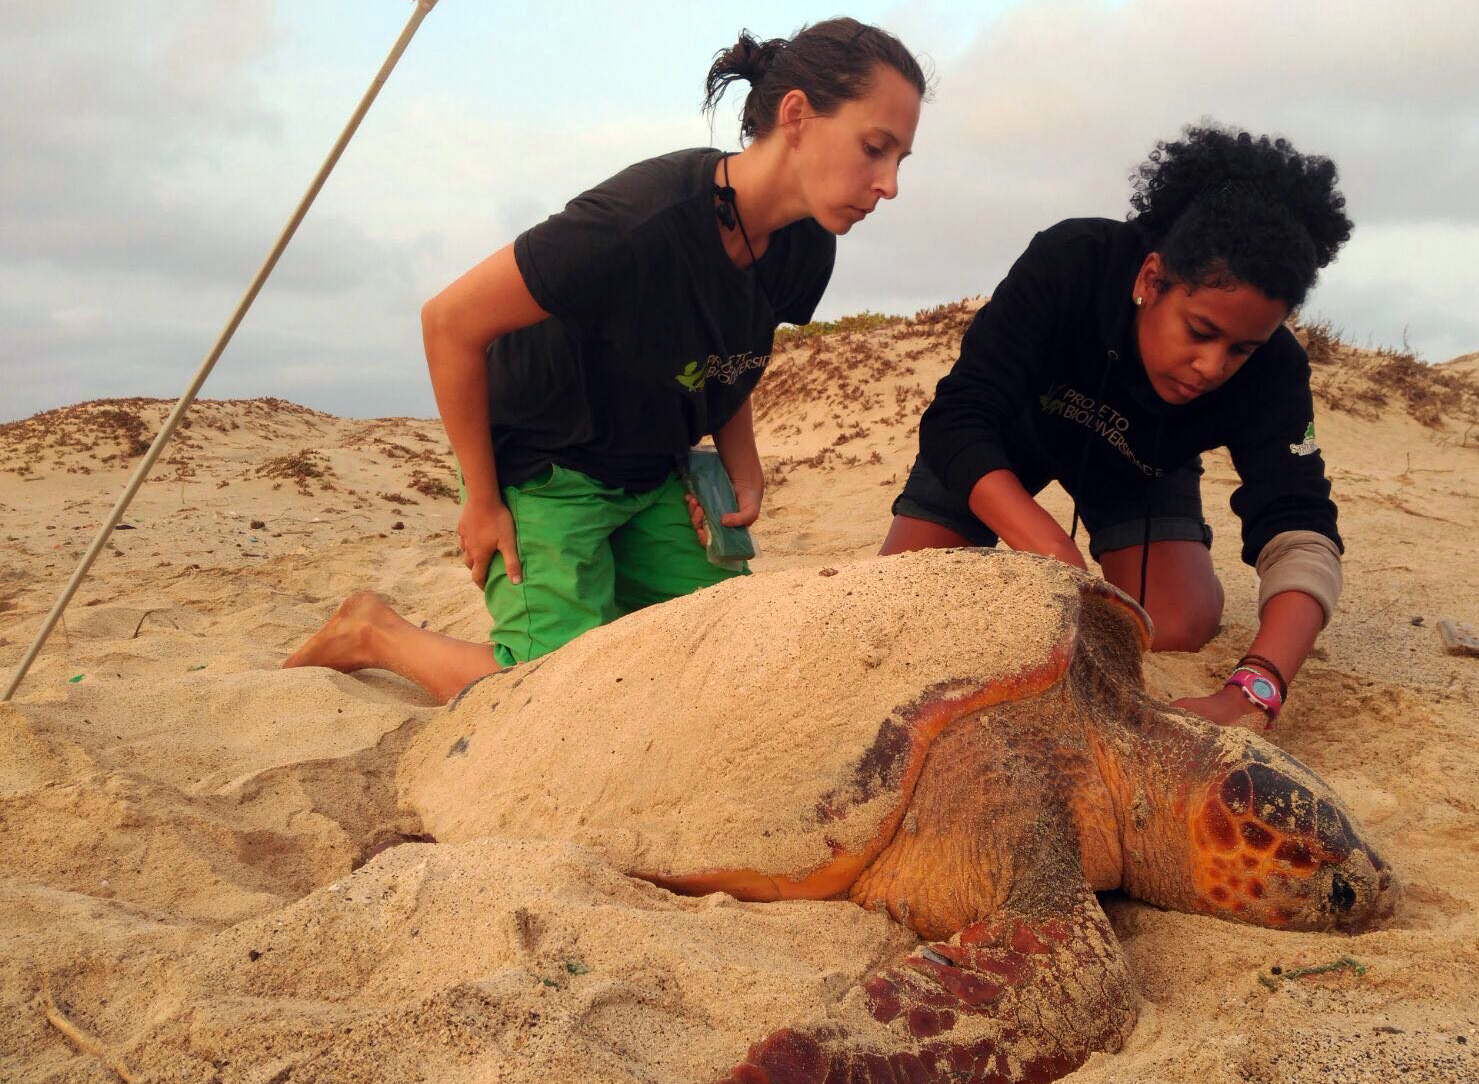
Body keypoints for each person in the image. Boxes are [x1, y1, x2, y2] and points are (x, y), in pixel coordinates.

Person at [284, 18, 926, 702]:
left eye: (899, 161)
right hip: (545, 466)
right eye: (874, 148)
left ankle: (605, 605)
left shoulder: (807, 242)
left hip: (651, 473)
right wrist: (480, 499)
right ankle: (373, 632)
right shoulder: (640, 221)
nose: (887, 184)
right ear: (796, 115)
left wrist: (741, 463)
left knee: (731, 648)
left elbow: (729, 354)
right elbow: (448, 323)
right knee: (558, 693)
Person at [881, 123, 1352, 729]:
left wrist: (1257, 687)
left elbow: (1302, 526)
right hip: (998, 444)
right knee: (898, 600)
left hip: (1138, 463)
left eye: (1241, 349)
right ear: (1150, 279)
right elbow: (958, 416)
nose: (1211, 367)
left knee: (1178, 625)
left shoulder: (1274, 369)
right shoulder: (1071, 260)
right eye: (1200, 332)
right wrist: (1053, 550)